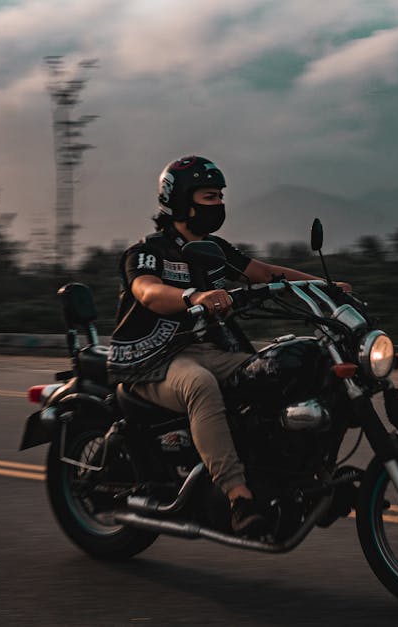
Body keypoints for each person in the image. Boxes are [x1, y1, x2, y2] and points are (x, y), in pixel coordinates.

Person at [107, 155, 348, 537]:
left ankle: (303, 477)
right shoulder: (148, 251)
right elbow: (148, 291)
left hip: (207, 349)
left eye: (220, 196)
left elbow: (265, 274)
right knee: (200, 385)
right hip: (152, 359)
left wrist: (325, 288)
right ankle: (239, 498)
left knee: (276, 373)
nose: (218, 204)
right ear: (182, 202)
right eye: (208, 197)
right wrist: (194, 297)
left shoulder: (214, 249)